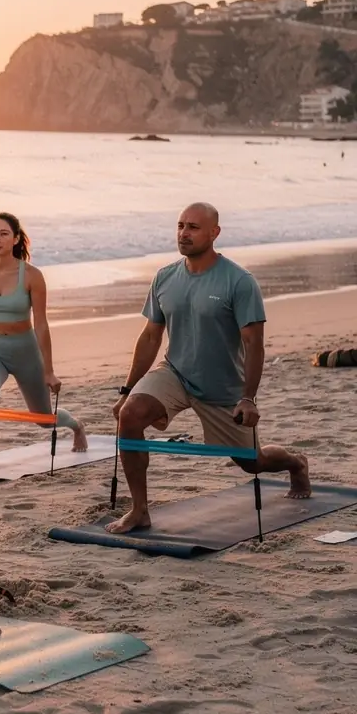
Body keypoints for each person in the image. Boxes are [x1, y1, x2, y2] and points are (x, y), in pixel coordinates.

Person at [108, 202, 310, 535]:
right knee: (130, 415)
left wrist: (248, 398)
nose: (183, 234)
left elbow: (254, 344)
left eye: (193, 227)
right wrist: (128, 390)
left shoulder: (239, 281)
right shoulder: (165, 277)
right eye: (180, 225)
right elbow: (149, 337)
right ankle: (140, 510)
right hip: (175, 373)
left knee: (252, 463)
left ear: (214, 233)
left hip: (223, 388)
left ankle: (295, 463)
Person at [0, 213, 88, 455]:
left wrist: (49, 371)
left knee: (43, 419)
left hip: (26, 353)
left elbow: (41, 324)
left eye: (3, 233)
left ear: (16, 238)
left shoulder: (32, 276)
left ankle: (76, 425)